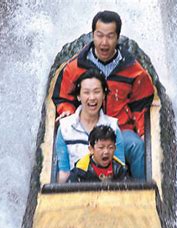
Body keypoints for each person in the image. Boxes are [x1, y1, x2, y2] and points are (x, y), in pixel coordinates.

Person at [53, 10, 154, 180]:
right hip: (85, 127)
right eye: (99, 36)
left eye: (110, 36)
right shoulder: (75, 67)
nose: (104, 42)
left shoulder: (133, 70)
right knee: (65, 141)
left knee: (137, 146)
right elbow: (62, 96)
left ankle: (142, 192)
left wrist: (142, 131)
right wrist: (67, 111)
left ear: (117, 37)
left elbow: (141, 102)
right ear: (93, 35)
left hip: (120, 127)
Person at [55, 69, 124, 183]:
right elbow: (64, 172)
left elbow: (120, 169)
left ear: (103, 95)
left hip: (109, 192)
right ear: (78, 96)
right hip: (75, 189)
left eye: (97, 92)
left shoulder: (113, 127)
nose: (92, 98)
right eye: (86, 92)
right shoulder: (65, 128)